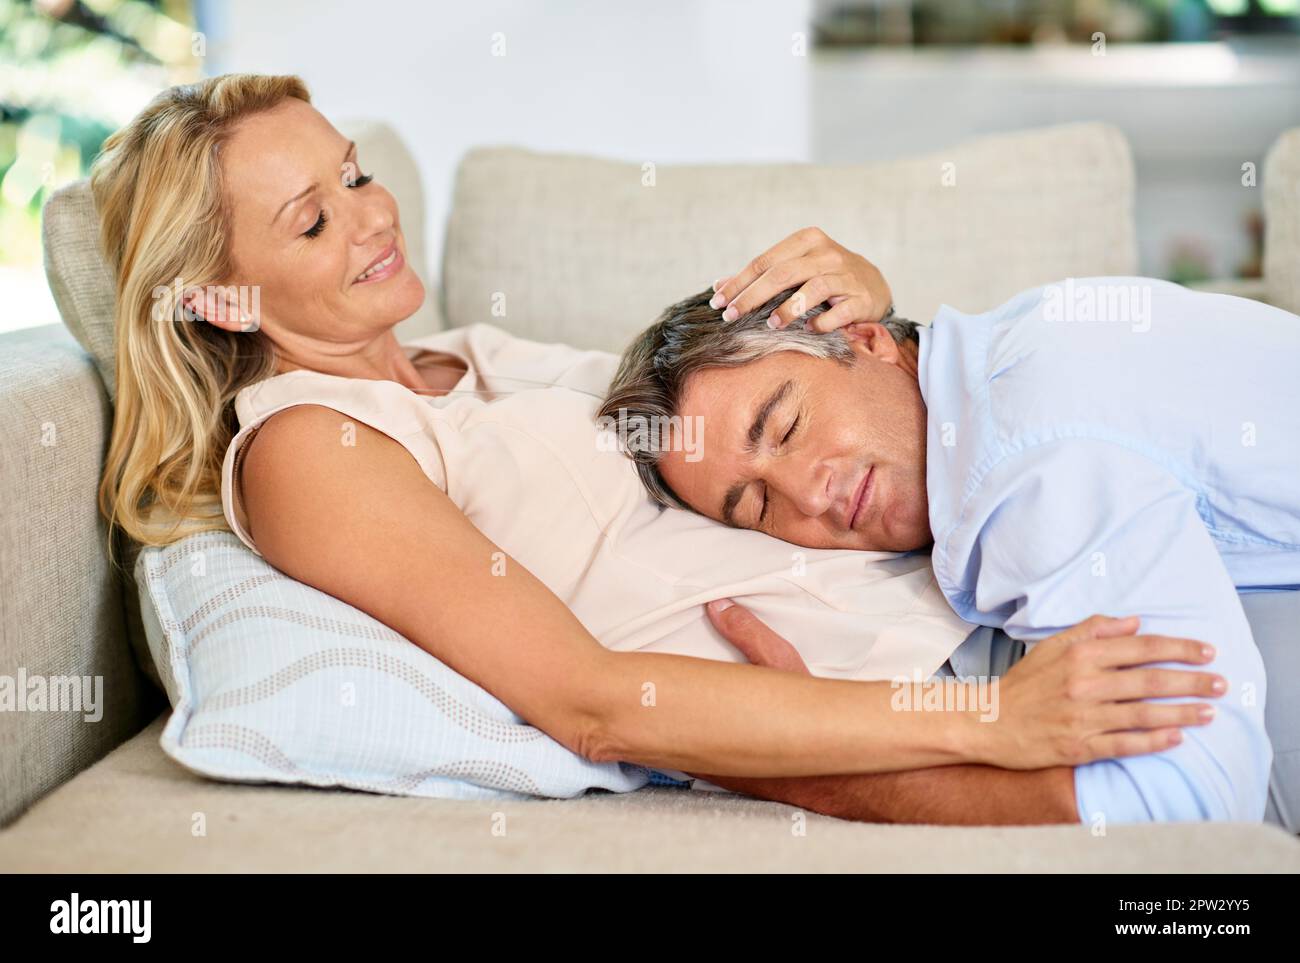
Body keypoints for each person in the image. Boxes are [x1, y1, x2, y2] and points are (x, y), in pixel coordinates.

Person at [92, 74, 1221, 825]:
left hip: (998, 580)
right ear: (223, 299)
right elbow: (586, 699)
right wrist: (985, 722)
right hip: (960, 697)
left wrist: (878, 319)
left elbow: (739, 412)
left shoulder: (468, 360)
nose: (372, 217)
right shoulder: (310, 449)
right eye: (312, 220)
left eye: (352, 175)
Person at [603, 227, 1300, 826]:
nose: (806, 495)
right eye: (757, 506)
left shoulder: (1017, 464)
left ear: (865, 338)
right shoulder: (1000, 356)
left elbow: (1193, 803)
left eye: (786, 426)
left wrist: (796, 762)